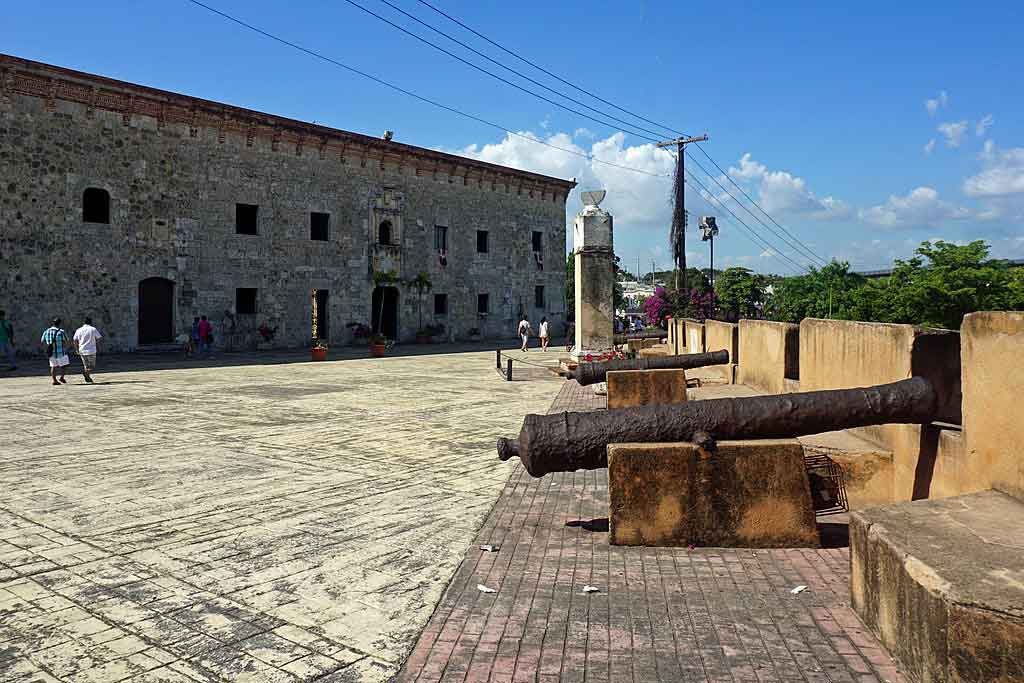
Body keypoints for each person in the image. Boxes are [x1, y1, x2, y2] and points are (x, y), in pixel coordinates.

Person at [72, 316, 103, 384]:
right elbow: (99, 338)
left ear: (84, 322)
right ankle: (85, 373)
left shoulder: (78, 330)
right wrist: (98, 346)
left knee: (86, 366)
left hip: (82, 350)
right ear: (91, 322)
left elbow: (75, 340)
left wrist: (76, 349)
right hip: (91, 350)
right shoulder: (93, 329)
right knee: (92, 366)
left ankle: (88, 378)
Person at [40, 318, 70, 386]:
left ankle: (54, 380)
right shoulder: (61, 331)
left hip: (51, 352)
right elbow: (66, 340)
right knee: (65, 365)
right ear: (59, 323)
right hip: (61, 351)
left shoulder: (46, 331)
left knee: (53, 366)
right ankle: (62, 377)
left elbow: (42, 341)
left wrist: (47, 349)